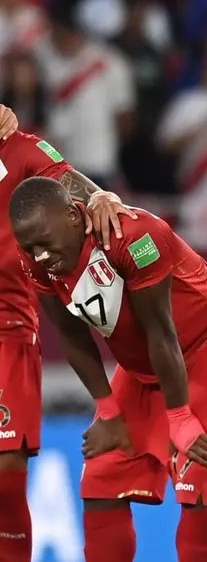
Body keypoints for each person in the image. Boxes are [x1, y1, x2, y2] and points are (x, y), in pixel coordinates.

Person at [9, 177, 207, 562]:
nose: (40, 256)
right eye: (31, 248)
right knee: (101, 475)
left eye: (45, 241)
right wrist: (108, 412)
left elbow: (162, 329)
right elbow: (73, 338)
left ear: (75, 216)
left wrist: (179, 417)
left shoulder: (135, 236)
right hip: (146, 361)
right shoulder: (37, 262)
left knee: (197, 468)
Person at [0, 122, 136, 561]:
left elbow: (67, 183)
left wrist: (100, 196)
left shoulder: (17, 148)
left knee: (5, 477)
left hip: (7, 326)